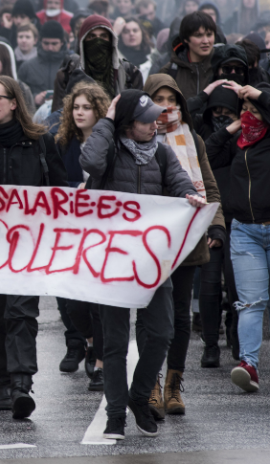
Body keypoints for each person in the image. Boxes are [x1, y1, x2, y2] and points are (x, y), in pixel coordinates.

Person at [80, 89, 207, 440]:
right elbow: (90, 162)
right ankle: (116, 415)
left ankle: (139, 396)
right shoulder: (108, 150)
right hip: (113, 261)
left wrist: (188, 197)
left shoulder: (163, 154)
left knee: (162, 332)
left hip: (152, 261)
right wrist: (106, 120)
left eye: (155, 118)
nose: (154, 124)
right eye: (145, 119)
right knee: (116, 343)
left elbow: (180, 183)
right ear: (126, 124)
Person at [0, 75, 68, 417]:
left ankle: (21, 384)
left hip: (27, 247)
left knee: (20, 313)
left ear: (14, 103)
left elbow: (59, 192)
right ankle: (1, 384)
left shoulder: (40, 144)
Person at [143, 74, 225, 418]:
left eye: (171, 98)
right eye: (157, 99)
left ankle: (174, 385)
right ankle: (150, 384)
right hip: (148, 244)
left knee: (178, 317)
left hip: (187, 242)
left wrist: (216, 225)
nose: (165, 106)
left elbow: (209, 186)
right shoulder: (135, 141)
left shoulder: (192, 139)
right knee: (149, 317)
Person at [206, 82, 270, 394]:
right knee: (250, 302)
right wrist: (233, 126)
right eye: (244, 111)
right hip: (244, 231)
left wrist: (255, 94)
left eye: (255, 111)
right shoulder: (239, 142)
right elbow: (207, 152)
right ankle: (249, 365)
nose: (248, 115)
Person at [55, 82, 112, 391]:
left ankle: (101, 365)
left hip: (102, 233)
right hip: (70, 232)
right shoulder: (62, 143)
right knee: (72, 305)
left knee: (99, 302)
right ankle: (89, 342)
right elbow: (51, 185)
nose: (80, 112)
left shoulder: (110, 145)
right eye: (75, 107)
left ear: (98, 111)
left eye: (86, 107)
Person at [196, 84, 241, 365]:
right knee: (209, 286)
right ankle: (210, 345)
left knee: (237, 287)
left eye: (229, 114)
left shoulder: (247, 142)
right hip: (211, 220)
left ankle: (237, 340)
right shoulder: (206, 139)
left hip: (239, 223)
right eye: (218, 113)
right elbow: (210, 153)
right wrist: (227, 130)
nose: (223, 118)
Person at [51, 14, 143, 113]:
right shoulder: (67, 75)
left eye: (103, 36)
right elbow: (58, 118)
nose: (98, 41)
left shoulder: (130, 73)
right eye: (92, 36)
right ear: (83, 41)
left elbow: (137, 115)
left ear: (111, 40)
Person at [159, 12, 217, 101]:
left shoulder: (223, 67)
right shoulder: (170, 72)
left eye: (209, 35)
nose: (206, 41)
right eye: (198, 35)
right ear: (186, 39)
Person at [18, 20, 70, 107]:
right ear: (40, 42)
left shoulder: (71, 66)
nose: (50, 47)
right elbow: (18, 94)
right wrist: (34, 98)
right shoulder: (27, 67)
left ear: (62, 43)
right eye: (46, 43)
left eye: (54, 43)